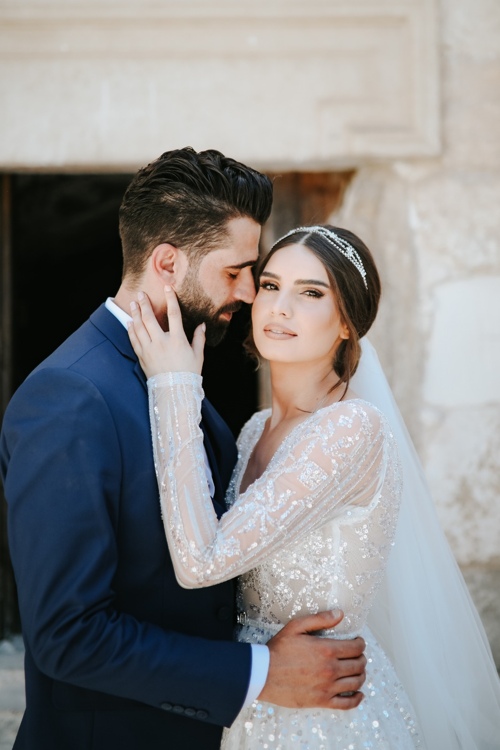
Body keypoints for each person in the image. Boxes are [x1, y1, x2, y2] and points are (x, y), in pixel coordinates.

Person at [0, 153, 367, 750]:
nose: (249, 293)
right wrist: (261, 672)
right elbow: (68, 634)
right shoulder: (70, 397)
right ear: (168, 263)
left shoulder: (178, 373)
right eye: (236, 271)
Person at [128, 223, 500, 749]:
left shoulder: (351, 429)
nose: (280, 307)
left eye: (310, 293)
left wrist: (175, 385)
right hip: (253, 703)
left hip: (326, 720)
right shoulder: (254, 430)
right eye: (271, 285)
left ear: (347, 322)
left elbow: (201, 561)